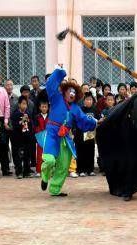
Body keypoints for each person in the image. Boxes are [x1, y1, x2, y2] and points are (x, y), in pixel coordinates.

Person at [39, 65, 97, 196]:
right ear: (64, 91)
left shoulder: (76, 108)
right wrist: (60, 72)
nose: (72, 93)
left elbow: (83, 120)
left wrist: (94, 122)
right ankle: (45, 175)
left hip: (65, 137)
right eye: (70, 91)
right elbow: (51, 85)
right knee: (49, 160)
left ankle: (54, 189)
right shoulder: (56, 98)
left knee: (64, 166)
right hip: (52, 133)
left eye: (74, 92)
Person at [75, 92, 98, 177]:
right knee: (81, 152)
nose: (89, 101)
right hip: (80, 134)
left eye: (90, 100)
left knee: (90, 151)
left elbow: (98, 120)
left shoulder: (94, 109)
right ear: (84, 101)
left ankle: (90, 170)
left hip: (90, 134)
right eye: (87, 99)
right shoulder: (80, 109)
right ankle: (81, 170)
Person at [11, 96, 34, 178]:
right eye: (23, 104)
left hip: (27, 138)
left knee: (27, 155)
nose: (25, 106)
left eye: (26, 104)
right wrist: (22, 120)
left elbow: (31, 125)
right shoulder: (15, 114)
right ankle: (19, 172)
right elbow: (15, 125)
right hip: (18, 138)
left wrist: (31, 134)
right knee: (18, 156)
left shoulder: (28, 113)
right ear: (19, 104)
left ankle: (27, 171)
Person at [35, 99, 49, 177]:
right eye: (42, 107)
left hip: (48, 138)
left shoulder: (50, 116)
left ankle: (48, 170)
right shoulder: (37, 117)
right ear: (40, 107)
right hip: (40, 138)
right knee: (39, 154)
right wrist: (40, 133)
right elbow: (36, 127)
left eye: (45, 107)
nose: (44, 108)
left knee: (48, 155)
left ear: (47, 108)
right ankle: (39, 170)